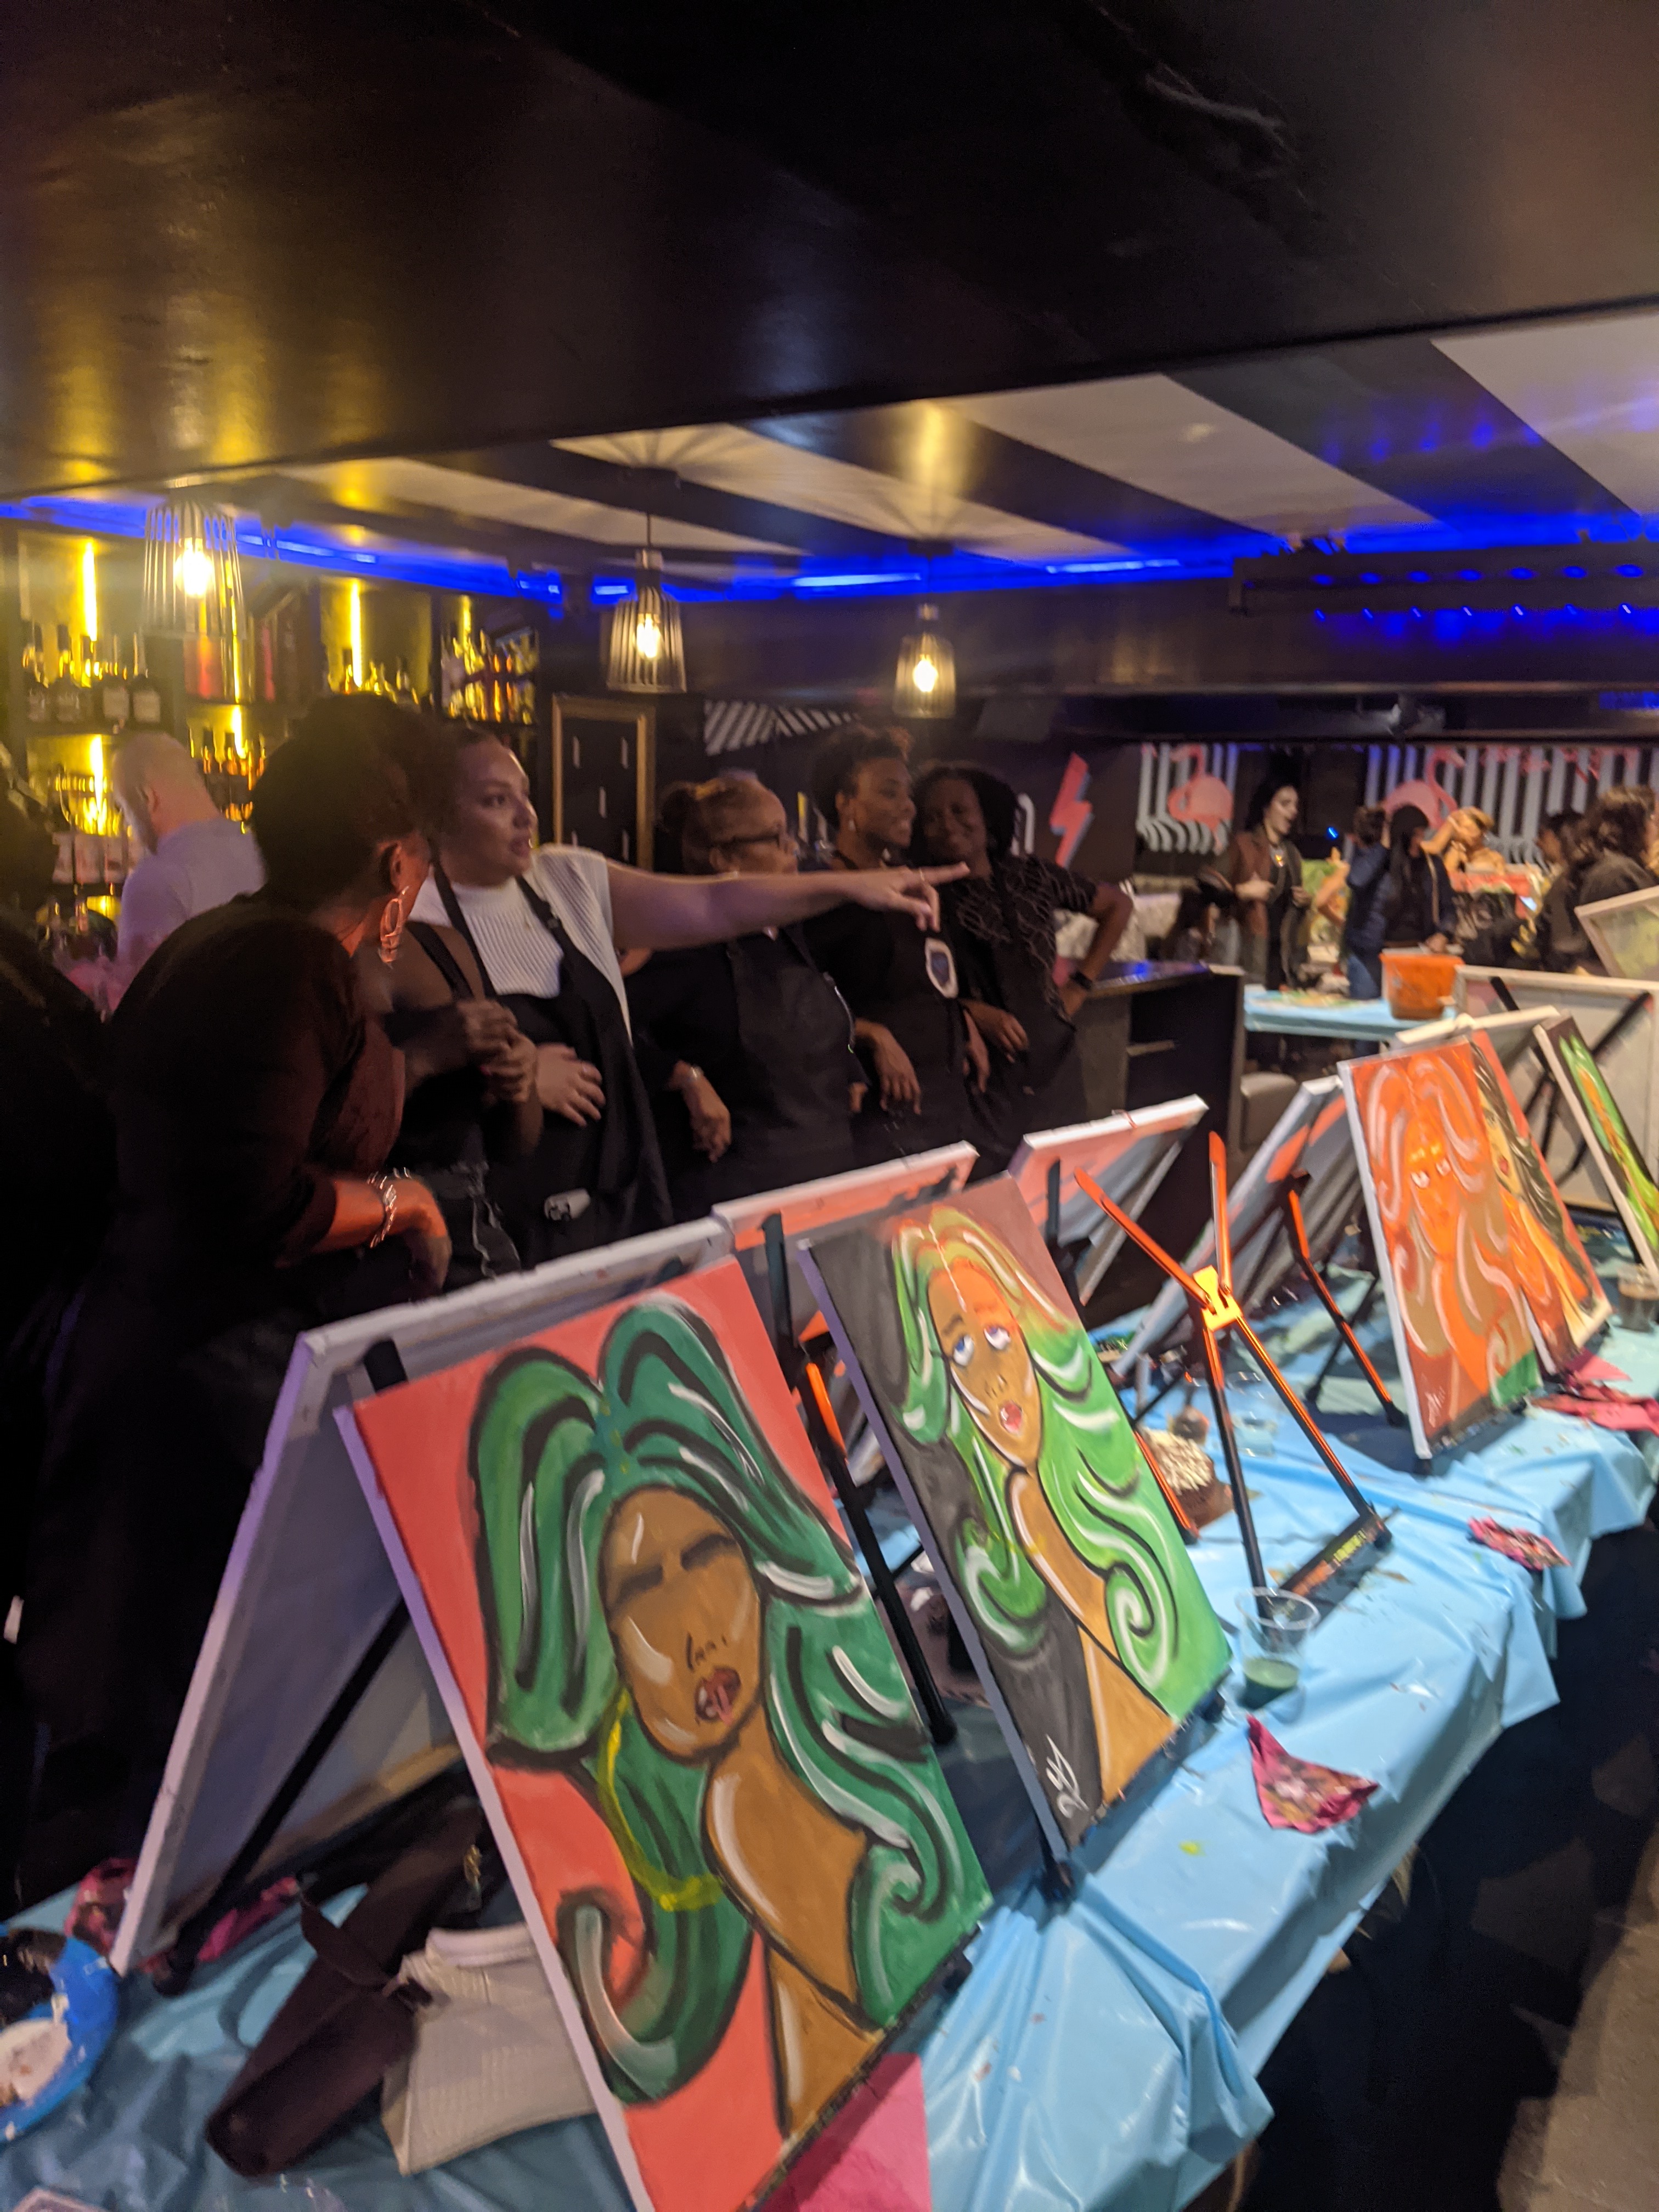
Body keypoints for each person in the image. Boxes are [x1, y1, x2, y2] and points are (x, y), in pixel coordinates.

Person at [18, 702, 455, 1893]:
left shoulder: (230, 940)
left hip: (163, 1363)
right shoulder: (290, 964)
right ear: (397, 862)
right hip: (207, 1387)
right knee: (184, 1729)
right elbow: (254, 1200)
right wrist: (405, 1202)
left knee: (173, 1723)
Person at [468, 1297, 985, 2137]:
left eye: (707, 1555)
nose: (697, 1630)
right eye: (643, 1591)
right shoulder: (742, 1802)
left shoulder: (770, 1784)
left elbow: (887, 1970)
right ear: (606, 1651)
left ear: (757, 1561)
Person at [403, 729, 963, 1266]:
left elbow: (716, 904)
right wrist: (515, 1083)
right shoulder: (407, 916)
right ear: (439, 816)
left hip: (614, 1202)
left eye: (525, 795)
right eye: (496, 801)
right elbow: (399, 1084)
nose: (526, 815)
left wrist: (854, 885)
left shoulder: (567, 880)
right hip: (501, 1222)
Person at [626, 778, 863, 1217]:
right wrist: (684, 1076)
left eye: (789, 834)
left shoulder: (788, 932)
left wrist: (849, 1063)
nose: (793, 849)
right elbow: (608, 1031)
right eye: (775, 837)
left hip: (828, 1177)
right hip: (738, 1194)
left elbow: (829, 1021)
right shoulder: (685, 945)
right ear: (725, 859)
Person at [911, 761, 1131, 1165]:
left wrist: (1080, 985)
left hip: (1055, 1070)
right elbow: (913, 992)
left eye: (960, 811)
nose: (947, 825)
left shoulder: (1032, 876)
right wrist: (969, 1011)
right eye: (933, 817)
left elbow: (1118, 905)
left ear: (988, 816)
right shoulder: (919, 896)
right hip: (981, 1083)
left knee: (1062, 1181)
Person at [804, 725, 989, 1164]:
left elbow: (932, 976)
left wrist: (961, 1020)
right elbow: (803, 1004)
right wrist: (871, 1034)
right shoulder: (822, 892)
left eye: (907, 793)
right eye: (890, 793)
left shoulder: (912, 881)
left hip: (945, 1093)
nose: (908, 806)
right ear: (845, 803)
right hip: (878, 1109)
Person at [110, 730, 266, 975]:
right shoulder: (261, 852)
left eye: (125, 810)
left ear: (148, 797)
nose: (129, 826)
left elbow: (138, 991)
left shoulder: (155, 881)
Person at [1539, 788, 1657, 972]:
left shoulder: (1586, 866)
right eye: (1654, 820)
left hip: (1567, 979)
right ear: (1638, 825)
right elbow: (1638, 953)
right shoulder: (1619, 874)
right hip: (1603, 985)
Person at [1212, 774, 1308, 988]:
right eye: (1285, 804)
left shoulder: (1291, 854)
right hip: (1249, 954)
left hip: (1282, 960)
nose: (1293, 811)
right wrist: (1242, 891)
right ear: (1267, 807)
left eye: (1295, 805)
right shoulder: (1244, 845)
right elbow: (1207, 885)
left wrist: (1302, 902)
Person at [1321, 805, 1389, 998]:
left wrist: (1343, 923)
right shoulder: (1373, 863)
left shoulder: (1356, 865)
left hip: (1366, 947)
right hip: (1369, 949)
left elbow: (1321, 901)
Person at [1381, 803, 1455, 953]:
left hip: (1424, 945)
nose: (1419, 841)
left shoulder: (1433, 864)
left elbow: (1449, 907)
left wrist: (1443, 934)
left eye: (1422, 834)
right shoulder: (1383, 864)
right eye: (1415, 835)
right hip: (1385, 945)